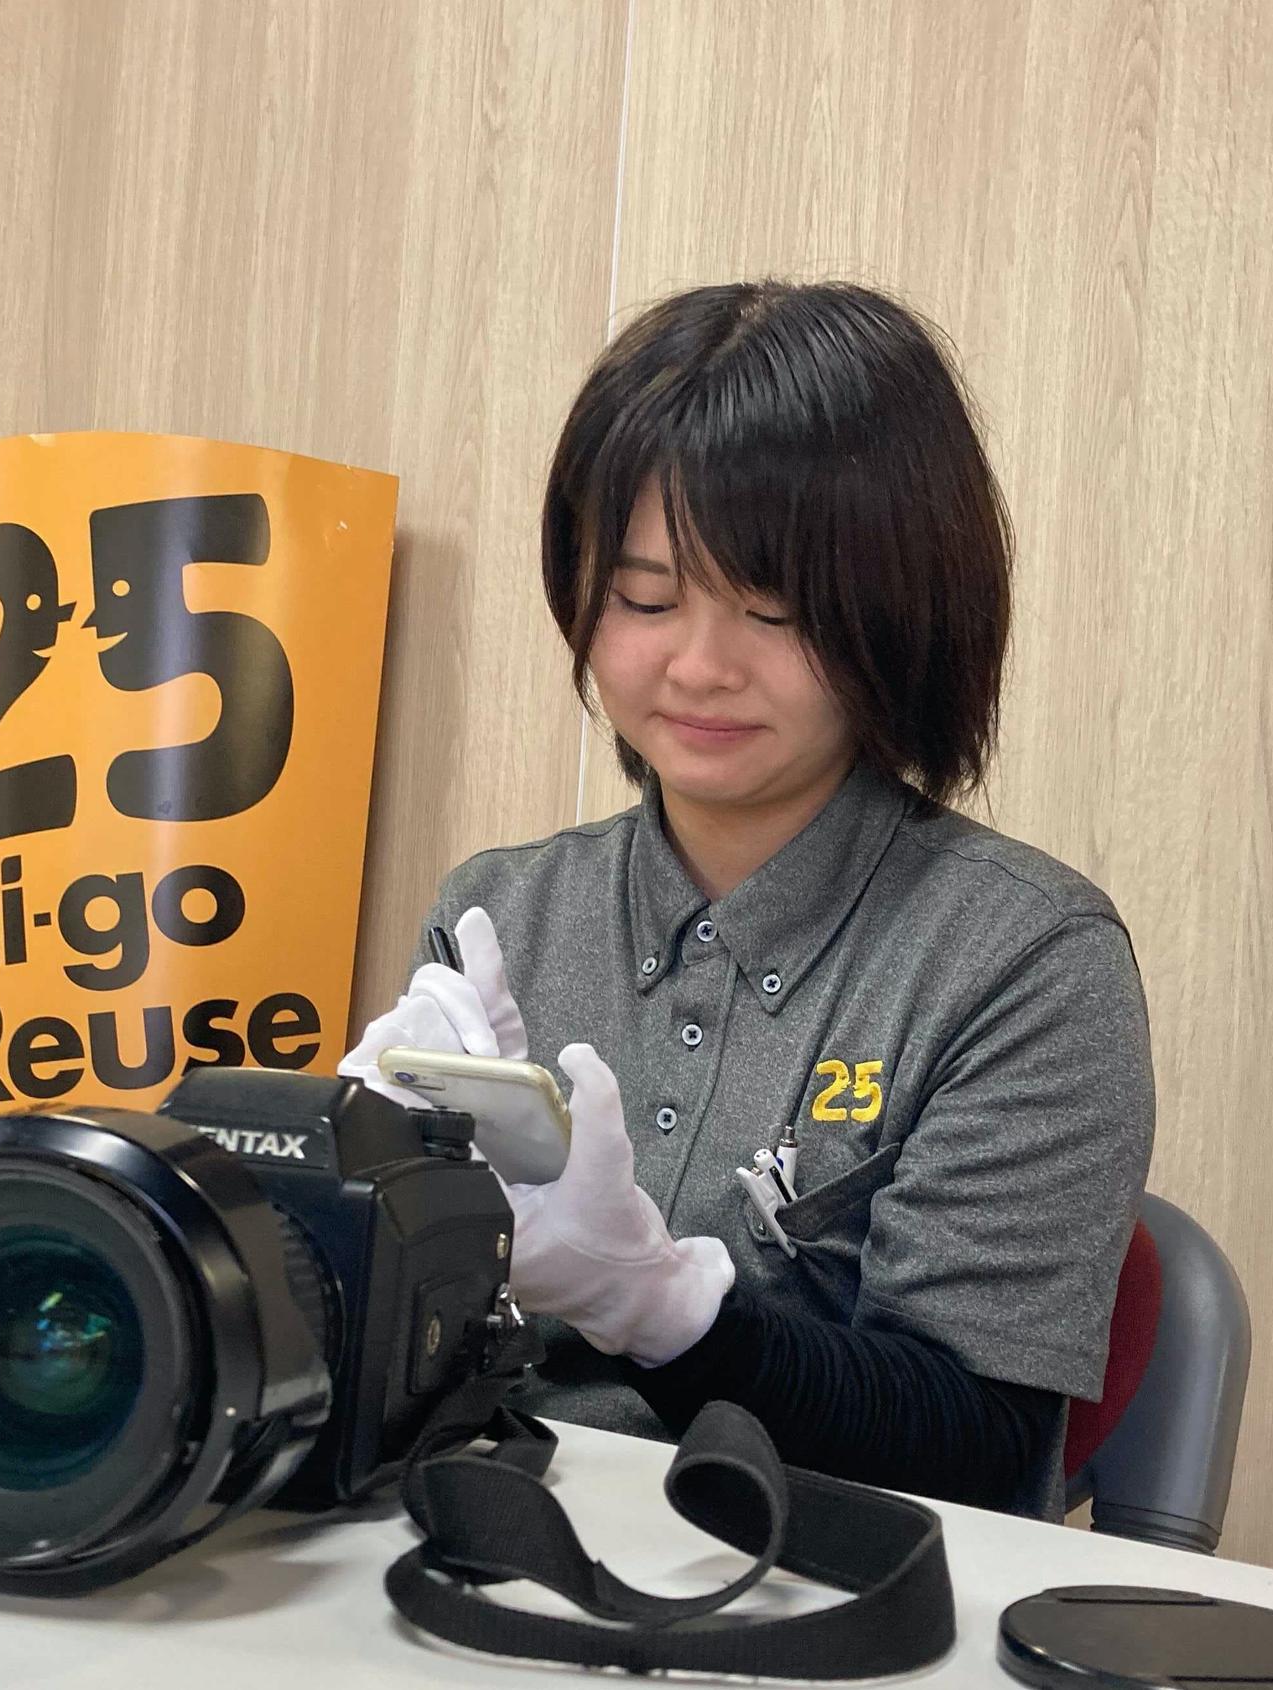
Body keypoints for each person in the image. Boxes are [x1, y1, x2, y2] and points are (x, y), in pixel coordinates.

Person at [340, 280, 1154, 1521]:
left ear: (902, 611)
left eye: (773, 607)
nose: (700, 665)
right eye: (645, 597)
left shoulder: (1023, 958)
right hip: (492, 1551)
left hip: (806, 1582)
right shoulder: (502, 911)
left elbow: (977, 1452)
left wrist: (660, 1309)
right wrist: (350, 1211)